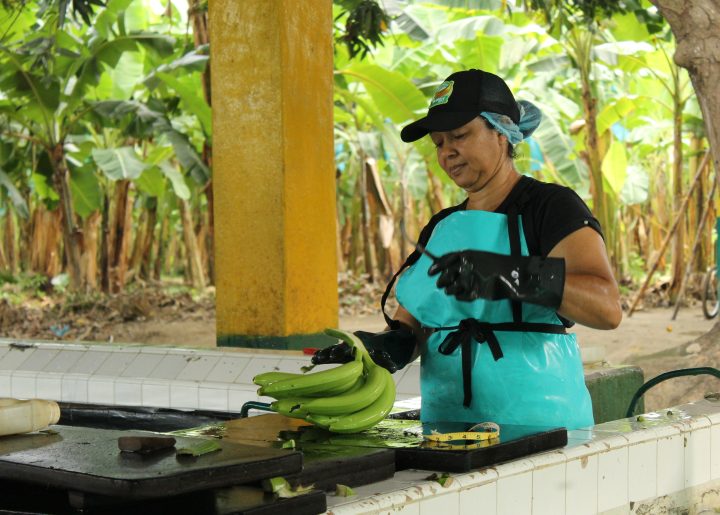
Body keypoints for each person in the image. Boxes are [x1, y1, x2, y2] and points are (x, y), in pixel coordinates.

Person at [314, 69, 622, 430]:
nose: (448, 152)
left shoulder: (550, 207)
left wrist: (509, 274)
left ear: (502, 132)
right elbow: (413, 324)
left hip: (540, 424)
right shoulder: (442, 226)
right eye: (439, 143)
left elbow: (607, 308)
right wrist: (386, 346)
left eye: (459, 135)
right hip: (448, 427)